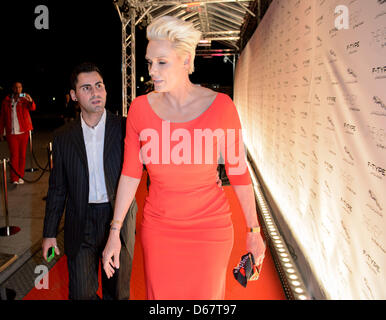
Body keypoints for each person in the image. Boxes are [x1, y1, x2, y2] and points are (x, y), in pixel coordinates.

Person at [102, 16, 266, 300]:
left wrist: (253, 229)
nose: (153, 70)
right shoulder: (139, 109)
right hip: (158, 230)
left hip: (210, 231)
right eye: (149, 62)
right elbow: (130, 172)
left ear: (185, 59)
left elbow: (238, 172)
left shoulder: (221, 107)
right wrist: (114, 231)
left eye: (161, 62)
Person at [42, 62, 137, 300]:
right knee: (81, 294)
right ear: (74, 95)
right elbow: (57, 188)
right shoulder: (63, 137)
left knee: (117, 293)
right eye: (86, 88)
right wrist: (50, 233)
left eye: (99, 85)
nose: (95, 92)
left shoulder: (126, 128)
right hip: (80, 223)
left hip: (118, 219)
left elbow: (151, 166)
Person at [0, 81, 36, 184]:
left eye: (20, 87)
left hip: (23, 132)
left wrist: (30, 100)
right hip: (11, 133)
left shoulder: (24, 99)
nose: (18, 89)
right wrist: (1, 132)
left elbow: (32, 108)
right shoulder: (6, 101)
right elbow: (2, 117)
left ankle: (20, 176)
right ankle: (14, 178)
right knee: (14, 156)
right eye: (16, 87)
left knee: (22, 155)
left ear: (22, 88)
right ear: (12, 88)